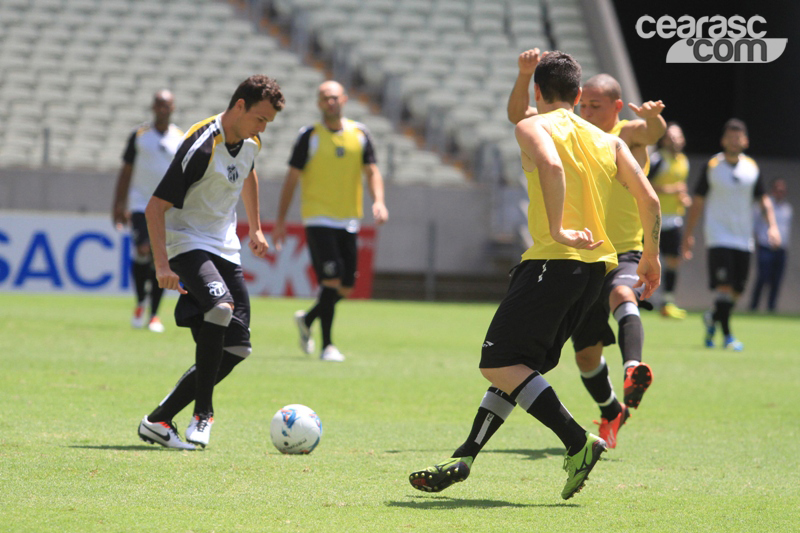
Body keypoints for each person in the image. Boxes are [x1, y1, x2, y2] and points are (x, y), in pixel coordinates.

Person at [410, 51, 661, 500]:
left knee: (497, 363)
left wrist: (562, 227)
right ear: (579, 95)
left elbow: (550, 165)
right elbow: (651, 201)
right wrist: (652, 258)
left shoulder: (531, 126)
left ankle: (577, 441)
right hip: (596, 270)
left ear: (538, 94)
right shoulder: (609, 140)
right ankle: (465, 454)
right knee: (521, 368)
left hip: (552, 260)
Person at [509, 51, 666, 449]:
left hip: (624, 251)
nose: (590, 110)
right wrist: (525, 75)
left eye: (598, 105)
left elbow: (652, 134)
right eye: (586, 103)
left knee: (621, 292)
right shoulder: (573, 132)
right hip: (586, 255)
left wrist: (651, 118)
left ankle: (634, 367)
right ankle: (613, 410)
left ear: (616, 107)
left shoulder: (622, 135)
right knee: (586, 357)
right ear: (577, 97)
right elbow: (519, 115)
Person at [137, 75, 285, 449]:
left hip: (224, 245)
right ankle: (204, 413)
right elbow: (154, 208)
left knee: (238, 347)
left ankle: (158, 420)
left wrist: (255, 227)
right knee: (220, 308)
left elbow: (248, 173)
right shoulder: (201, 145)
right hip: (185, 241)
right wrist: (162, 268)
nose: (262, 127)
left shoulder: (251, 141)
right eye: (260, 118)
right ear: (239, 107)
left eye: (267, 122)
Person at [273, 80, 388, 363]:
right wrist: (280, 220)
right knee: (332, 279)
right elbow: (291, 180)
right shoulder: (309, 136)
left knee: (346, 286)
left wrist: (379, 201)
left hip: (349, 220)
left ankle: (308, 318)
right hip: (318, 218)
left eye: (335, 97)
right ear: (319, 103)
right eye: (325, 98)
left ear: (344, 99)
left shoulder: (359, 134)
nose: (331, 102)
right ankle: (328, 346)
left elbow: (372, 171)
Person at [682, 119, 781, 350]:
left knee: (738, 290)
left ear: (745, 141)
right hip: (718, 236)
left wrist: (772, 226)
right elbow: (697, 201)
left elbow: (763, 199)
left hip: (743, 238)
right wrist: (689, 234)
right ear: (723, 140)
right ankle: (727, 336)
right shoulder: (713, 166)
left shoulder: (752, 168)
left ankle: (712, 317)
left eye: (739, 137)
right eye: (730, 137)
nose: (735, 141)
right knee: (724, 287)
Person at [111, 90, 184, 333]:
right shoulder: (139, 135)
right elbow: (126, 170)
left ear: (173, 108)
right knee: (143, 249)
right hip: (140, 203)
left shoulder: (180, 138)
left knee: (158, 258)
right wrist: (118, 203)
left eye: (167, 105)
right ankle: (140, 301)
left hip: (167, 206)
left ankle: (153, 314)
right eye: (159, 104)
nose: (163, 109)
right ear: (153, 107)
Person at [649, 122, 691, 319]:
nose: (675, 140)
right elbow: (644, 184)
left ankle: (667, 302)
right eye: (671, 136)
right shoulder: (658, 160)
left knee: (673, 261)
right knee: (647, 259)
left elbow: (680, 188)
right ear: (665, 140)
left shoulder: (684, 161)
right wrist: (670, 191)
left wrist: (682, 198)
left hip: (674, 219)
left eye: (678, 136)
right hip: (654, 219)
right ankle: (641, 299)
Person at [750, 178, 792, 312]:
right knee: (762, 277)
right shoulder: (764, 206)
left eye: (783, 190)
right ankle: (754, 307)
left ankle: (771, 308)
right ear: (773, 190)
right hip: (765, 247)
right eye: (778, 190)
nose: (781, 192)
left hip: (781, 250)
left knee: (776, 280)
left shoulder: (787, 209)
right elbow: (755, 226)